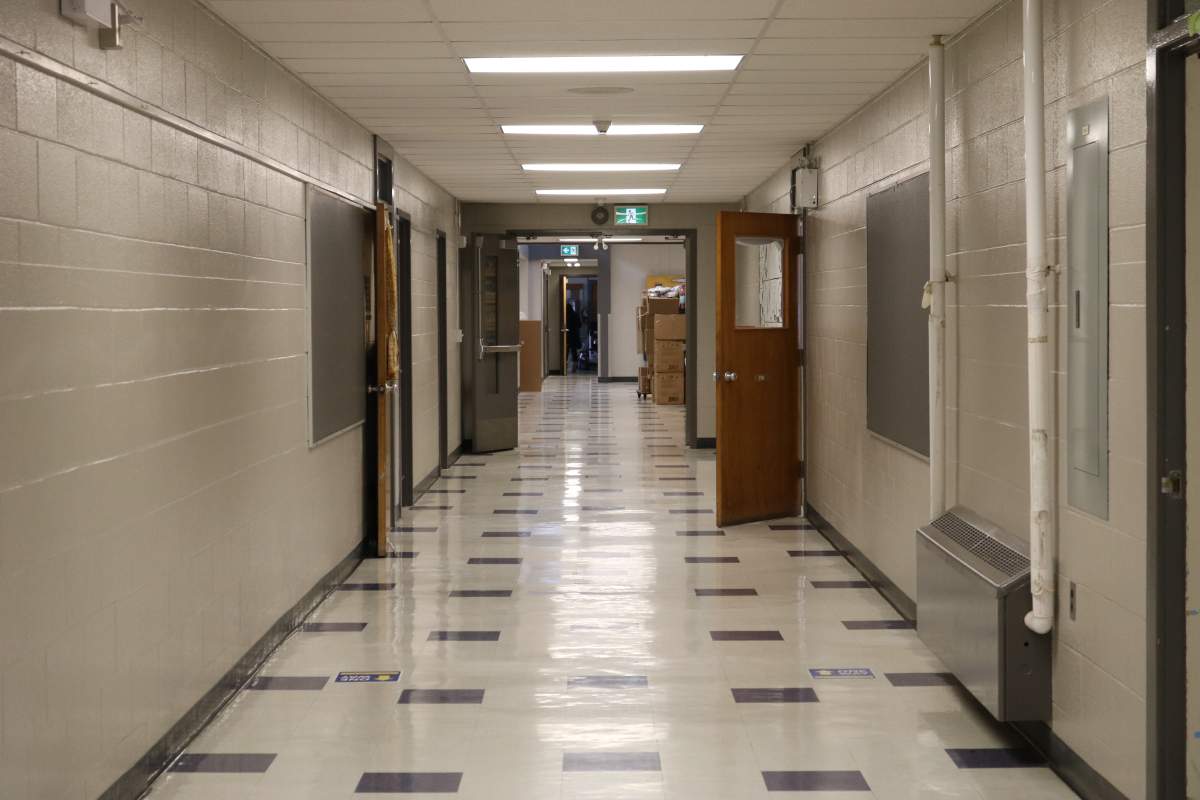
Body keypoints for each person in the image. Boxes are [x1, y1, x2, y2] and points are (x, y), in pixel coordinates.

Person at [566, 300, 581, 368]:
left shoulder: (565, 315)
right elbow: (580, 324)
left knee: (566, 348)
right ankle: (575, 364)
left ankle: (565, 362)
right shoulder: (575, 314)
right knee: (573, 349)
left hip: (567, 334)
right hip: (574, 334)